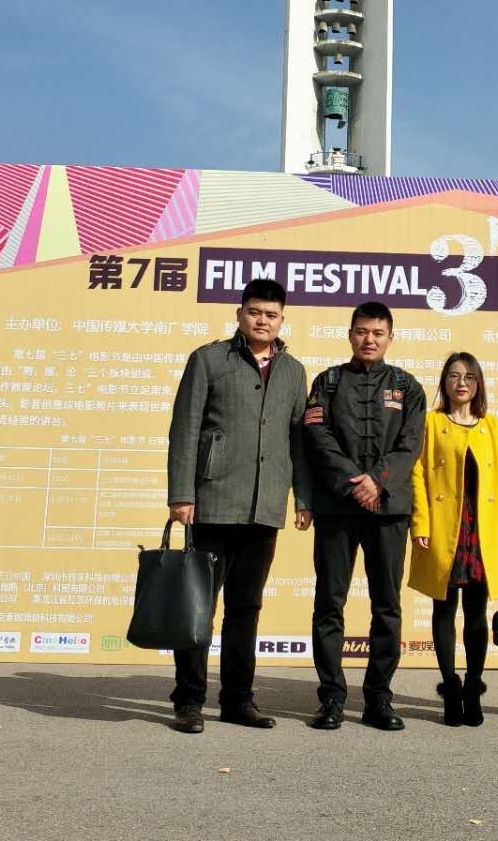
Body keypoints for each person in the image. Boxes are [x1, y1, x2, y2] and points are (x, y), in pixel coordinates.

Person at [165, 278, 312, 734]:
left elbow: (298, 441)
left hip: (263, 508)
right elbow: (185, 429)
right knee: (198, 609)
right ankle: (188, 701)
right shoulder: (209, 360)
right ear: (239, 314)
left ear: (282, 319)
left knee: (246, 609)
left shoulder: (294, 372)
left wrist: (303, 497)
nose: (262, 321)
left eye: (271, 314)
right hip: (211, 504)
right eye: (254, 312)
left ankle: (237, 701)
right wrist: (182, 495)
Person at [304, 301, 427, 732]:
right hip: (337, 508)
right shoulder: (328, 382)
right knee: (329, 603)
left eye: (377, 333)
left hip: (388, 510)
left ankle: (378, 698)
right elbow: (317, 435)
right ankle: (331, 698)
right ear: (350, 335)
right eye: (361, 331)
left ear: (390, 337)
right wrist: (354, 480)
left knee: (387, 605)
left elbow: (411, 442)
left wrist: (378, 481)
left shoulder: (407, 386)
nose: (369, 339)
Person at [408, 352, 498, 727]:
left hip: (481, 528)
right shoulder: (431, 422)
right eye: (454, 376)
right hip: (444, 526)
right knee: (443, 608)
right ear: (444, 382)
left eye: (469, 377)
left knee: (476, 611)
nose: (461, 383)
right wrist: (420, 525)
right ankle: (450, 688)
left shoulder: (492, 425)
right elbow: (417, 476)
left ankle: (473, 687)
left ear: (478, 383)